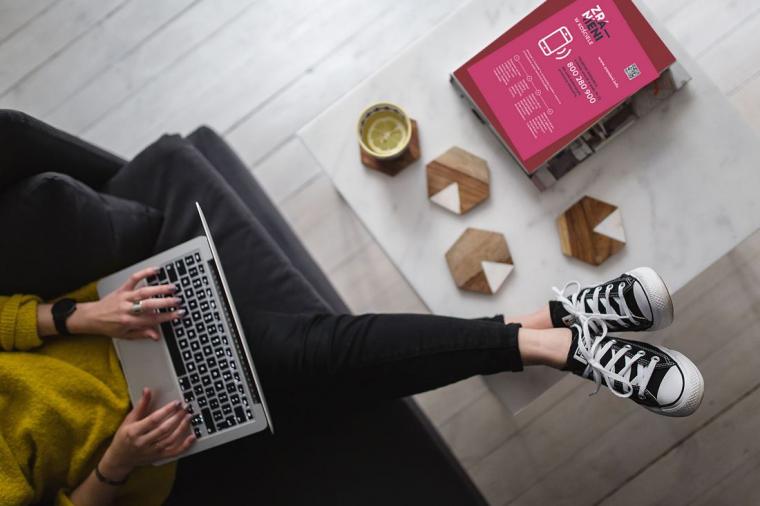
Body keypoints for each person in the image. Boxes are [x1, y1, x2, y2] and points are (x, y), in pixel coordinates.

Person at [0, 262, 704, 505]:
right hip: (149, 444)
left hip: (122, 332)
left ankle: (561, 347)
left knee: (330, 352)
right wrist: (118, 464)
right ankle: (564, 322)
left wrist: (76, 315)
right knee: (346, 373)